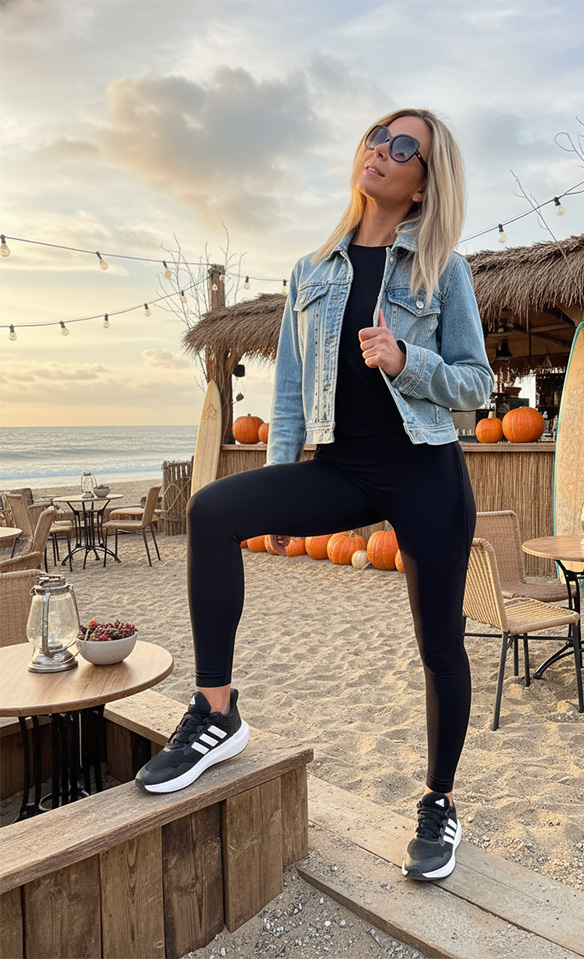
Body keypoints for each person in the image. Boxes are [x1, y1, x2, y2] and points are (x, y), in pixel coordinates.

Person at [136, 108, 494, 882]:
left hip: (425, 469)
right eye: (377, 137)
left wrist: (406, 360)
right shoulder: (312, 272)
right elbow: (292, 395)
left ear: (424, 183)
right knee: (213, 510)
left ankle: (439, 801)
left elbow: (477, 384)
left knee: (439, 644)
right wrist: (277, 482)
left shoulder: (443, 269)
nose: (382, 151)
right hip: (341, 469)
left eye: (404, 147)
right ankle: (217, 712)